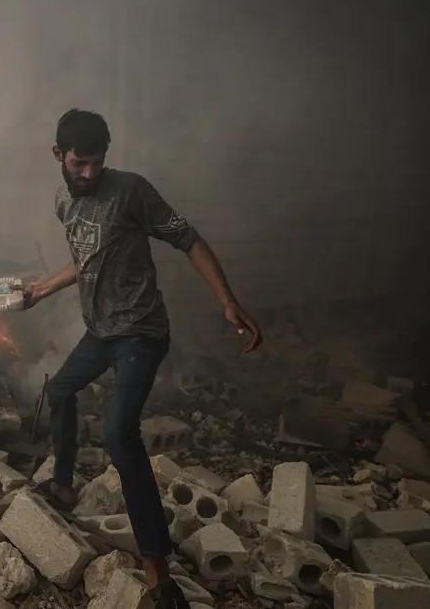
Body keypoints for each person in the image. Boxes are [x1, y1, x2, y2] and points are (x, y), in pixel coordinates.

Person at [21, 108, 262, 609]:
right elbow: (86, 257)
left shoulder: (131, 191)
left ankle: (158, 572)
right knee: (61, 390)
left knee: (117, 433)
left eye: (96, 163)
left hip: (140, 334)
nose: (88, 173)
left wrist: (228, 298)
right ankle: (64, 488)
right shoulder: (63, 199)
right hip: (100, 331)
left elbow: (188, 239)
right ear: (58, 156)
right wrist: (44, 287)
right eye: (79, 163)